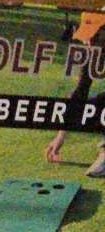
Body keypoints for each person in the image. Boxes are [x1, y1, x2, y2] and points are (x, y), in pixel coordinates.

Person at [45, 11, 105, 177]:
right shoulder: (96, 49)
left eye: (94, 37)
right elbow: (80, 91)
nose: (88, 42)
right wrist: (61, 135)